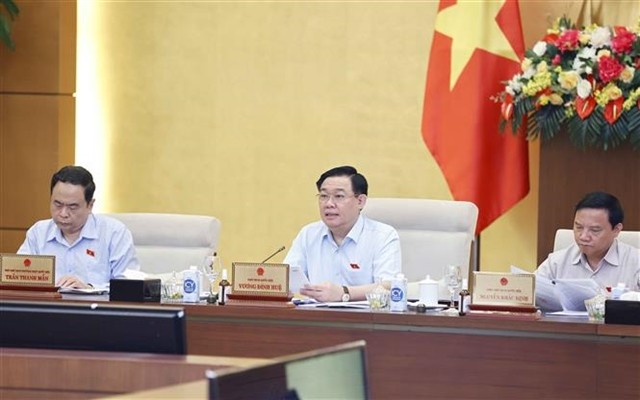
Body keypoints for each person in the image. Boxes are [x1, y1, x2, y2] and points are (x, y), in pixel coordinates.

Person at [283, 166, 401, 302]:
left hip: (365, 320)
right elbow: (286, 279)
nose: (329, 204)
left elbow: (390, 286)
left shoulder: (383, 236)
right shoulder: (308, 234)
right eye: (323, 196)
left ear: (360, 201)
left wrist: (344, 293)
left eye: (339, 196)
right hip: (316, 318)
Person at [18, 166, 139, 289]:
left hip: (95, 307)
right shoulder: (38, 233)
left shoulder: (114, 233)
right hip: (48, 306)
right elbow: (17, 276)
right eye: (57, 204)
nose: (63, 213)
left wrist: (89, 288)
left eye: (73, 207)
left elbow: (130, 287)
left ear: (90, 205)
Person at [535, 192, 640, 308]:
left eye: (594, 230)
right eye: (578, 227)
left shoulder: (636, 263)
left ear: (616, 230)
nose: (583, 236)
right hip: (567, 326)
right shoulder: (556, 262)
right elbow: (530, 293)